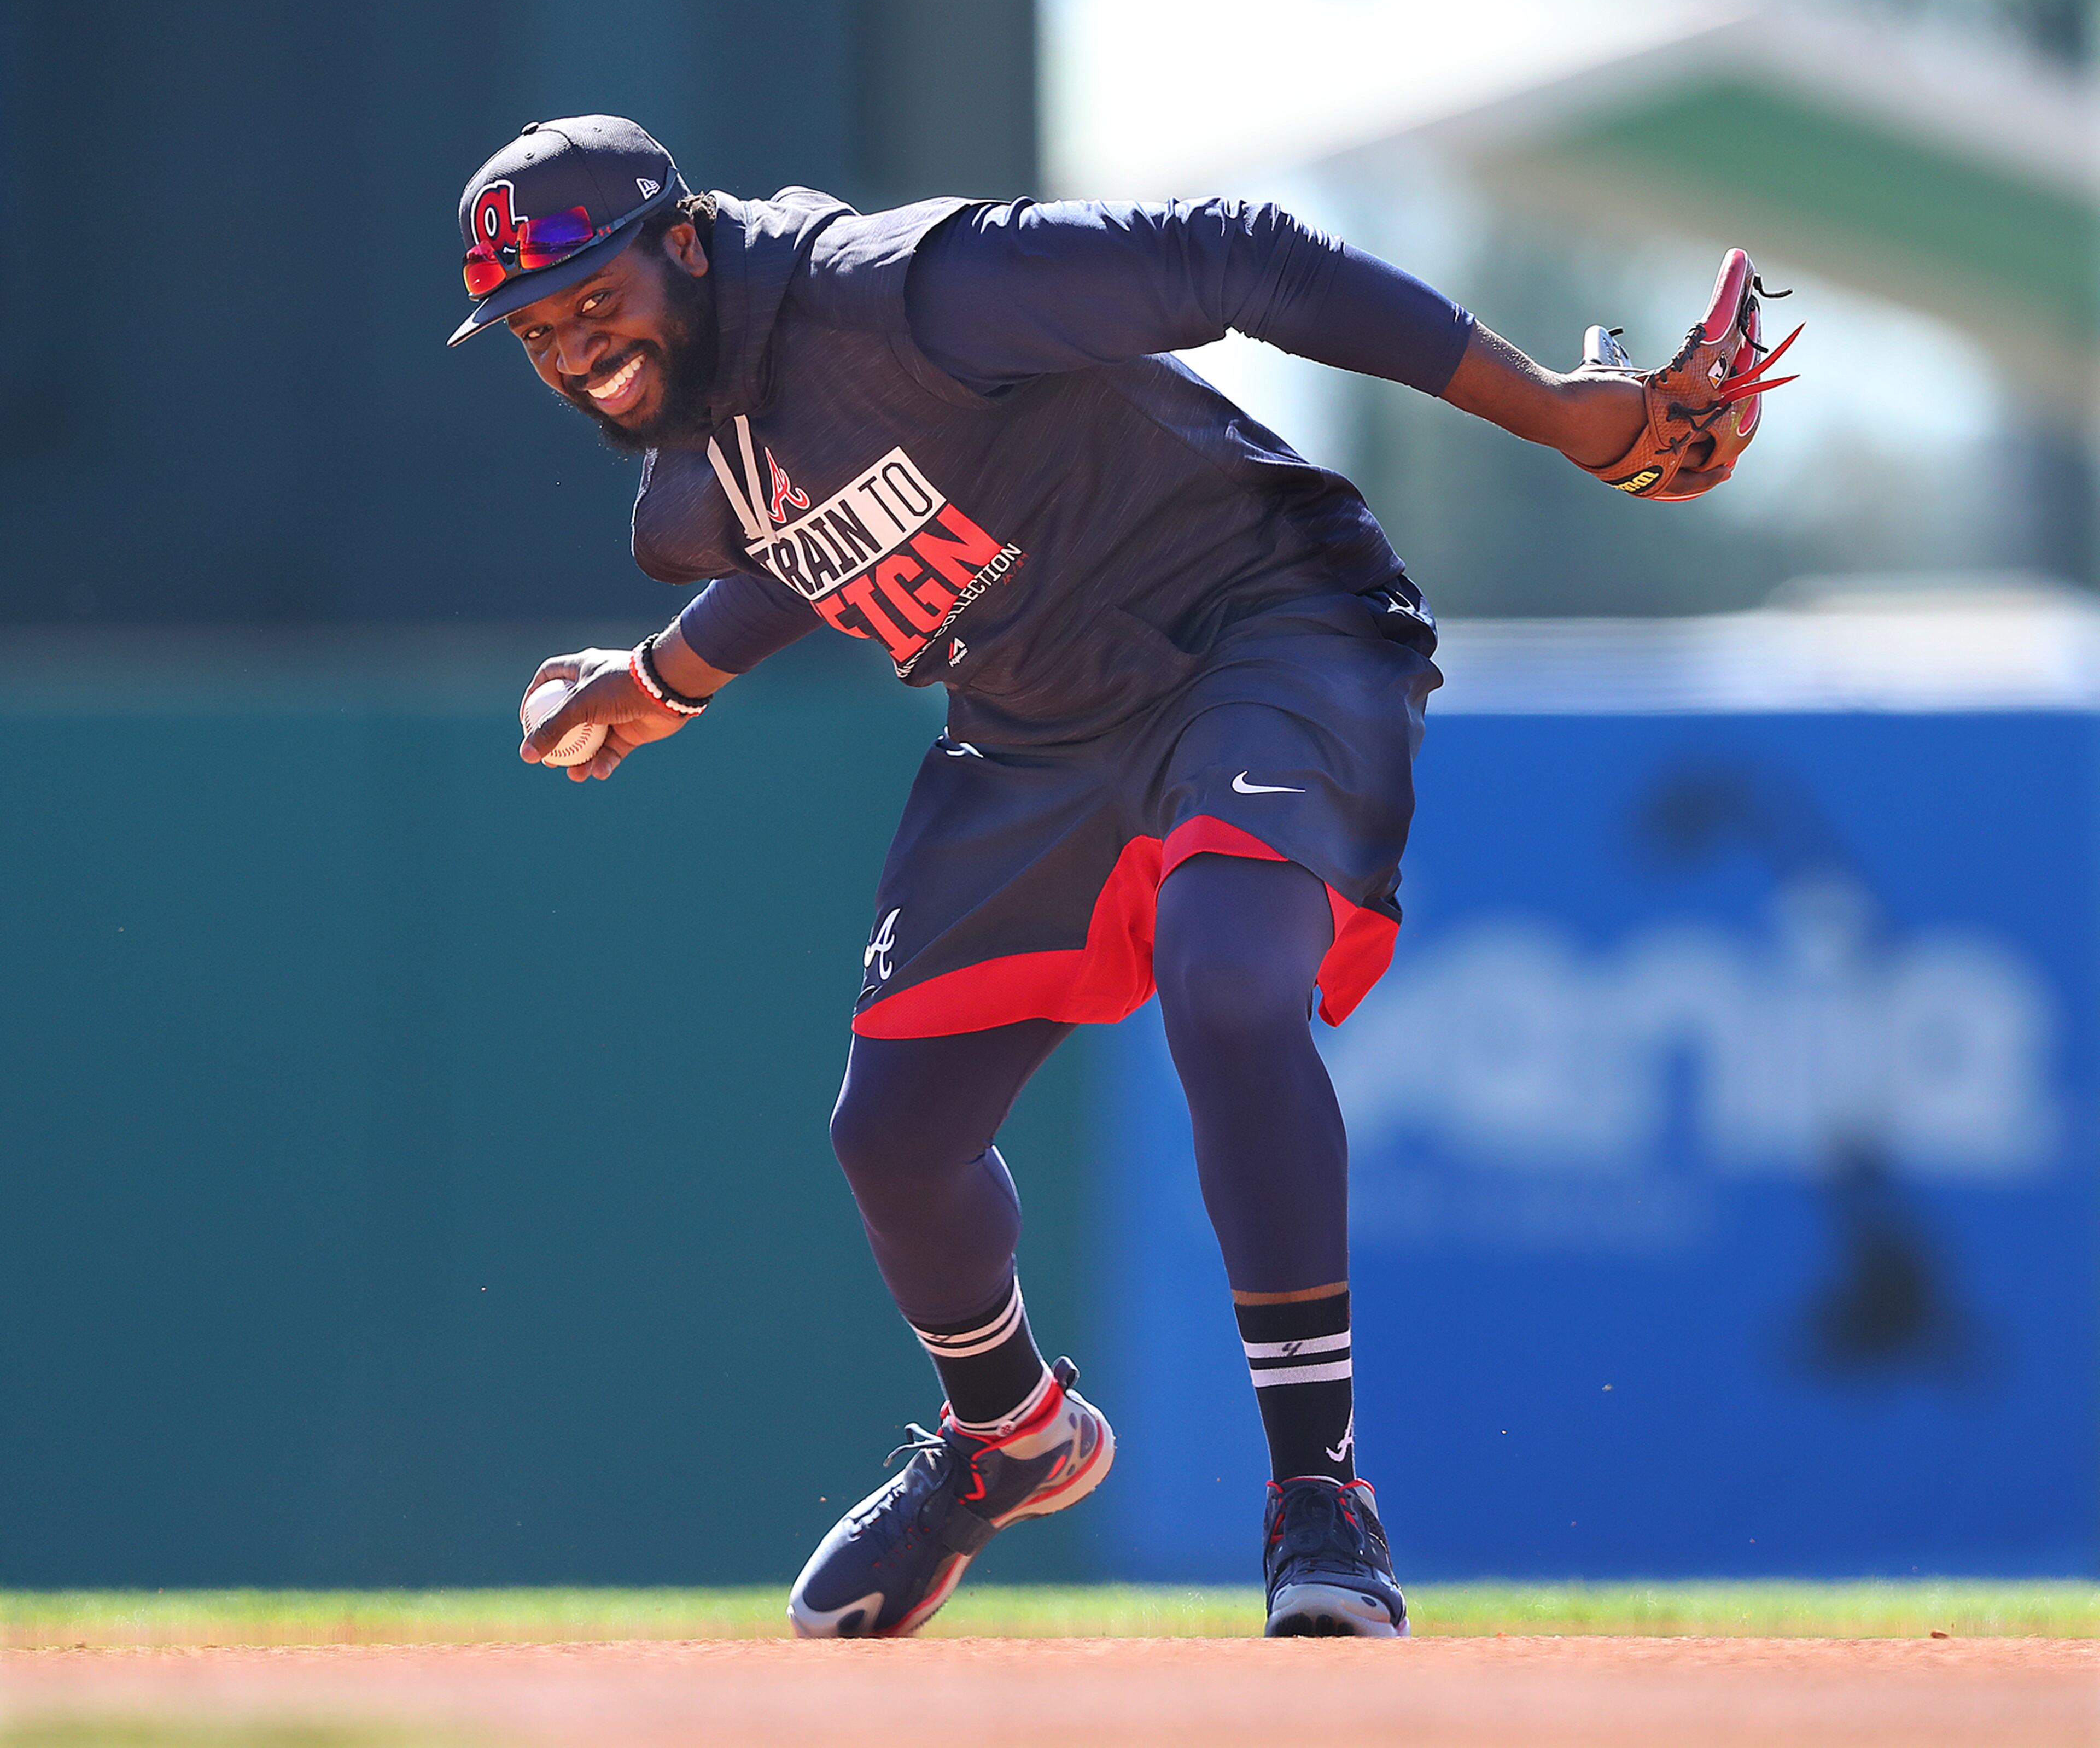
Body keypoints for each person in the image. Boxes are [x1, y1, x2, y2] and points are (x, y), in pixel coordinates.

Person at [449, 115, 1767, 1639]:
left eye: (592, 298)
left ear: (685, 242)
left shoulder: (903, 291)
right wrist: (666, 678)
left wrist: (1551, 410)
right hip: (1037, 723)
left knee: (1228, 973)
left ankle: (1320, 1502)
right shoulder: (700, 462)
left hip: (1257, 624)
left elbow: (1241, 256)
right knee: (894, 1138)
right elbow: (813, 530)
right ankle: (1008, 1437)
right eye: (538, 330)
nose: (572, 347)